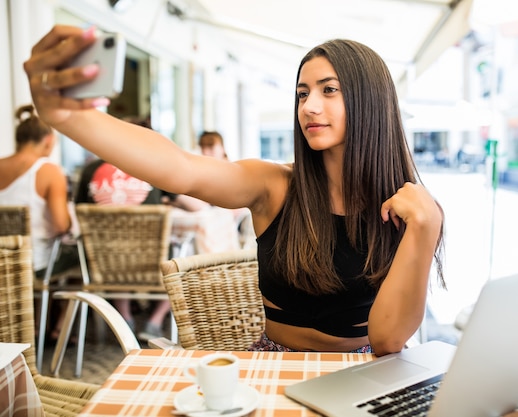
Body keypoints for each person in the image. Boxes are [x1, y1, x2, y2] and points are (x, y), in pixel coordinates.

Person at [24, 26, 445, 356]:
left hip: (365, 367)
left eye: (328, 90)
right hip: (275, 363)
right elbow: (180, 169)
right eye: (302, 94)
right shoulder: (273, 185)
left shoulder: (410, 210)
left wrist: (426, 228)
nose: (309, 106)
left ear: (370, 101)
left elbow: (388, 340)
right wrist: (68, 118)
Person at [73, 115, 205, 341]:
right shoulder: (153, 167)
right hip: (152, 264)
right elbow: (197, 206)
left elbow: (78, 208)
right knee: (184, 254)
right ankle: (154, 322)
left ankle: (124, 317)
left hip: (104, 264)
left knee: (114, 246)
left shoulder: (90, 170)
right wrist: (171, 199)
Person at [0, 104, 78, 343]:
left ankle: (32, 326)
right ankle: (57, 331)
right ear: (47, 140)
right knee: (81, 264)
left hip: (3, 261)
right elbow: (61, 225)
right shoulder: (49, 171)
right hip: (32, 264)